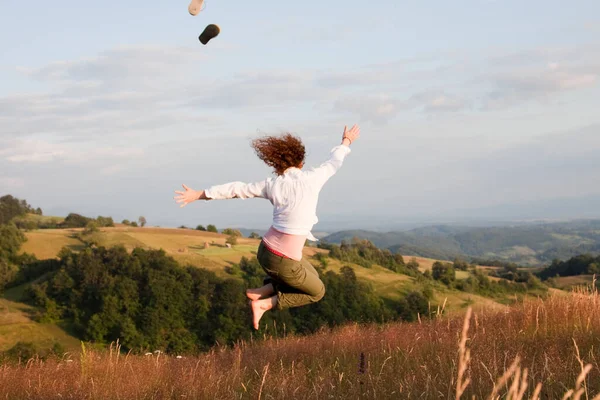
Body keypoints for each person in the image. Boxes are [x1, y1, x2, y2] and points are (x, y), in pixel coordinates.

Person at [173, 124, 360, 329]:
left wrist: (200, 194)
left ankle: (262, 291)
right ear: (301, 161)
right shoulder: (313, 178)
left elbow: (237, 189)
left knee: (311, 276)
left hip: (265, 251)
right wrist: (346, 142)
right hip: (282, 260)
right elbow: (334, 162)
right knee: (317, 291)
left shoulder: (273, 184)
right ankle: (264, 304)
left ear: (276, 164)